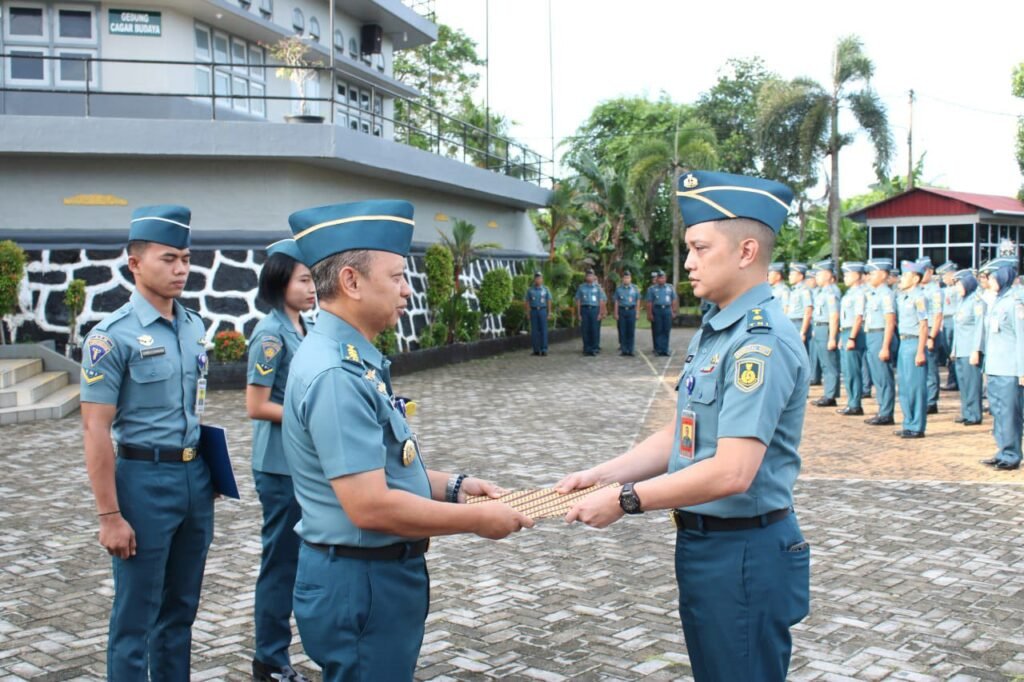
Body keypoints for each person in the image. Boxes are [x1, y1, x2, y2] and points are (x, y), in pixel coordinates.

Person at [557, 170, 809, 682]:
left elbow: (733, 472)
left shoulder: (760, 343)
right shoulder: (718, 329)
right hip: (707, 545)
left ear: (744, 252)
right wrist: (603, 474)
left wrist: (627, 499)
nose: (688, 263)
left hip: (742, 551)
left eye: (699, 248)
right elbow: (683, 432)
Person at [282, 200, 532, 681]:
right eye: (396, 276)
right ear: (351, 282)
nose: (406, 288)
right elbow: (369, 507)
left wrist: (457, 486)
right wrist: (476, 520)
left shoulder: (351, 357)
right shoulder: (337, 372)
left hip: (373, 576)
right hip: (363, 580)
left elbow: (380, 466)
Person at [80, 205, 215, 681]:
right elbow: (95, 429)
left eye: (185, 258)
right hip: (142, 482)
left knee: (180, 613)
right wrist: (110, 515)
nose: (180, 269)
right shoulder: (111, 337)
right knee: (135, 618)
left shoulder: (194, 325)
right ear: (134, 263)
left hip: (194, 480)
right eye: (168, 258)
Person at [247, 238, 317, 682]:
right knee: (281, 564)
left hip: (299, 464)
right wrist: (309, 417)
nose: (313, 288)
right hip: (278, 467)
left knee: (299, 561)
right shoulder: (271, 334)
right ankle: (270, 660)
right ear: (280, 282)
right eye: (304, 280)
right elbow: (255, 404)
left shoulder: (301, 327)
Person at [979, 257, 1023, 470]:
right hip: (995, 367)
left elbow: (1022, 338)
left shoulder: (1016, 302)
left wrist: (1022, 370)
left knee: (1009, 413)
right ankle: (1002, 450)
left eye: (993, 276)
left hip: (1009, 368)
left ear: (1004, 275)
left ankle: (1012, 454)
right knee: (997, 412)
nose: (990, 280)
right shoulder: (997, 300)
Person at [894, 260, 931, 438]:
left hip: (915, 342)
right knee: (905, 385)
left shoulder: (919, 298)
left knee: (916, 386)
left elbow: (924, 325)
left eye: (906, 275)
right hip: (903, 342)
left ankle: (917, 426)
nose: (902, 278)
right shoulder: (903, 297)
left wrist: (921, 351)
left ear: (915, 278)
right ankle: (908, 422)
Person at [862, 259, 897, 426]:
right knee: (877, 376)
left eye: (873, 273)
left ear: (883, 275)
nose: (869, 277)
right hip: (872, 335)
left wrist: (885, 346)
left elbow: (890, 321)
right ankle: (882, 409)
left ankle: (886, 413)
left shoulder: (886, 294)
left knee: (883, 377)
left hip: (881, 335)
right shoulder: (873, 293)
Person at [949, 268, 985, 427]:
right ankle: (966, 412)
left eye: (959, 284)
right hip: (961, 350)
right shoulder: (962, 301)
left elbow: (979, 328)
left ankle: (974, 414)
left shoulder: (976, 301)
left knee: (972, 384)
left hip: (970, 350)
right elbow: (958, 329)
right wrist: (954, 350)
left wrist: (976, 350)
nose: (957, 288)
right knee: (963, 384)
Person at [838, 262, 867, 415]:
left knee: (853, 370)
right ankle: (851, 402)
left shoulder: (860, 293)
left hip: (853, 333)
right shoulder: (849, 293)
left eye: (848, 274)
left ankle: (855, 404)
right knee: (847, 370)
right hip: (845, 332)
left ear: (856, 275)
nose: (845, 277)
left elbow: (858, 317)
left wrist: (851, 337)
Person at [810, 260, 840, 407]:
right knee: (824, 363)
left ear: (828, 275)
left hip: (827, 329)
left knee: (830, 364)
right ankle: (828, 392)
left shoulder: (831, 292)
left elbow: (834, 315)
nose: (816, 277)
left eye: (819, 274)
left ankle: (831, 395)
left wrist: (832, 337)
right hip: (820, 328)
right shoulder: (822, 292)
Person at [916, 257, 944, 414]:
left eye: (923, 271)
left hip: (930, 331)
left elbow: (938, 315)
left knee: (931, 368)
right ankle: (924, 398)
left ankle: (931, 401)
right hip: (920, 332)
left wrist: (932, 337)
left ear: (930, 271)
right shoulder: (918, 289)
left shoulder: (935, 291)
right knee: (921, 368)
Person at [937, 261, 960, 390]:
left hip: (953, 321)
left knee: (953, 352)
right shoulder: (945, 289)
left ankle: (954, 380)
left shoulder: (957, 288)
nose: (943, 279)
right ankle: (953, 379)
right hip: (946, 321)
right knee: (948, 353)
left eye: (945, 276)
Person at [646, 269, 678, 356]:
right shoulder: (652, 289)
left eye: (663, 278)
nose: (661, 280)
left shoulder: (670, 288)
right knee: (658, 330)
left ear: (665, 278)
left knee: (666, 330)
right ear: (657, 279)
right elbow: (649, 303)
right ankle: (658, 349)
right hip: (657, 310)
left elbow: (674, 300)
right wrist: (650, 314)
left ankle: (665, 349)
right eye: (659, 278)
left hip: (667, 310)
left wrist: (674, 311)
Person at [575, 268, 607, 356]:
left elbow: (601, 301)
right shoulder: (581, 287)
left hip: (594, 309)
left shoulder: (598, 288)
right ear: (586, 277)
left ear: (594, 277)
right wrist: (579, 313)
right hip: (584, 309)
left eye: (591, 275)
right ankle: (586, 348)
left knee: (594, 329)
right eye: (588, 275)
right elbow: (578, 301)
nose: (589, 277)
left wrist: (600, 313)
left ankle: (594, 348)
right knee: (585, 330)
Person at [784, 263, 813, 357]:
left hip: (799, 324)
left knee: (800, 355)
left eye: (792, 274)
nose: (789, 276)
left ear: (800, 276)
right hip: (792, 323)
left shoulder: (804, 290)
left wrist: (803, 332)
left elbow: (808, 311)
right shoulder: (794, 290)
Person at [524, 271, 553, 356]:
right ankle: (536, 350)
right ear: (534, 279)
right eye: (536, 278)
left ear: (542, 279)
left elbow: (549, 300)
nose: (538, 280)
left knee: (544, 330)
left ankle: (544, 349)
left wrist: (549, 312)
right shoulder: (530, 290)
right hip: (533, 311)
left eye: (539, 278)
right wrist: (528, 313)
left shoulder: (546, 289)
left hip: (543, 310)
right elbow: (527, 301)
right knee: (534, 331)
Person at [613, 270, 640, 356]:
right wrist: (616, 313)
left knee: (631, 331)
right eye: (625, 278)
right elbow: (616, 302)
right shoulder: (619, 289)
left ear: (630, 279)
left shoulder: (635, 289)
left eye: (628, 278)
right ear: (622, 279)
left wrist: (637, 312)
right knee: (623, 330)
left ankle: (630, 349)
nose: (626, 279)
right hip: (622, 311)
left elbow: (638, 301)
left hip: (631, 310)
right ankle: (624, 350)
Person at [804, 269, 823, 385]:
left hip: (814, 324)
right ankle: (813, 375)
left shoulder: (819, 292)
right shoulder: (812, 292)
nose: (808, 281)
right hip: (813, 324)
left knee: (814, 353)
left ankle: (815, 376)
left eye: (810, 279)